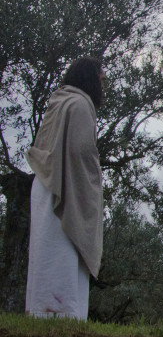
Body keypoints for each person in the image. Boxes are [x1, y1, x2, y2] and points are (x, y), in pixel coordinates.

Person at [25, 57, 105, 320]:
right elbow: (81, 151)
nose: (104, 83)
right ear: (90, 78)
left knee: (47, 250)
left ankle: (44, 313)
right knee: (62, 251)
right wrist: (94, 181)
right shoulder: (81, 105)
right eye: (101, 77)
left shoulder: (59, 101)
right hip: (65, 188)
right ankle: (63, 314)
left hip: (46, 183)